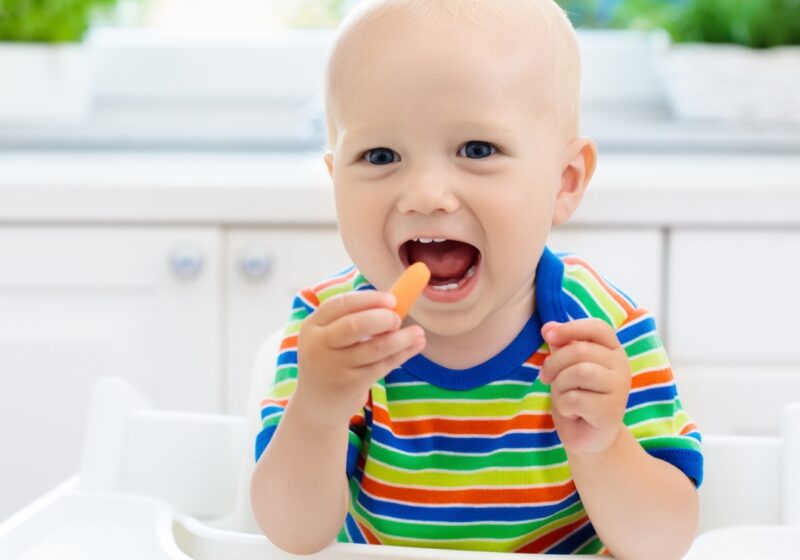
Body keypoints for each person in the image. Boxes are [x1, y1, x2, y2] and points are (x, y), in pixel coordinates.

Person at [250, 1, 703, 557]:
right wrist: (318, 406)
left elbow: (665, 543)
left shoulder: (602, 328)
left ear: (563, 182)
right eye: (379, 154)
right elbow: (292, 534)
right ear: (333, 178)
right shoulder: (332, 332)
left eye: (477, 149)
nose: (424, 195)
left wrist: (602, 446)